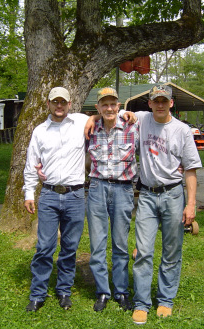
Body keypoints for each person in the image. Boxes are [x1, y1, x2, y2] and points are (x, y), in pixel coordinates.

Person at [129, 85, 202, 325]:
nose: (160, 104)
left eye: (164, 100)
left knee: (172, 251)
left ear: (171, 103)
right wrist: (94, 119)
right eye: (155, 100)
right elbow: (113, 113)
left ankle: (165, 300)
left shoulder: (183, 131)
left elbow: (190, 170)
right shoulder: (141, 119)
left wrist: (190, 205)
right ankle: (141, 304)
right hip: (147, 196)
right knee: (143, 251)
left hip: (173, 194)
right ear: (149, 103)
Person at [23, 87, 90, 312]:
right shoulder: (40, 131)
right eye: (55, 102)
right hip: (50, 194)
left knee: (69, 247)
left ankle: (64, 291)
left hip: (75, 195)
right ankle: (38, 293)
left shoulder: (81, 122)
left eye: (63, 102)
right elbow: (32, 163)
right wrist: (29, 193)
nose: (59, 106)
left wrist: (126, 114)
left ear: (70, 104)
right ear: (49, 104)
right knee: (44, 247)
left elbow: (106, 114)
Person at [86, 87, 139, 312]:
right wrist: (92, 117)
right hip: (97, 188)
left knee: (120, 244)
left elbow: (156, 115)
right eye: (104, 104)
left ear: (119, 106)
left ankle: (121, 291)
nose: (109, 108)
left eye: (113, 104)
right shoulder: (88, 128)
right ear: (97, 107)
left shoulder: (133, 125)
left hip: (123, 190)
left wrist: (130, 112)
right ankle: (102, 292)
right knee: (97, 244)